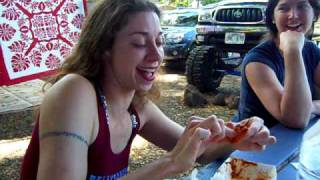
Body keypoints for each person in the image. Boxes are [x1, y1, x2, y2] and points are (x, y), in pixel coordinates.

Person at [20, 0, 276, 179]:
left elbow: (200, 153)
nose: (156, 55)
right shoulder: (74, 93)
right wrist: (169, 163)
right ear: (103, 48)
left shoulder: (136, 106)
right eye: (140, 43)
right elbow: (177, 160)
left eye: (159, 41)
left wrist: (237, 136)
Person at [237, 0, 320, 128]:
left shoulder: (312, 51)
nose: (293, 15)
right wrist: (292, 50)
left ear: (314, 14)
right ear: (272, 17)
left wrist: (312, 107)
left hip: (299, 142)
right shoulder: (257, 61)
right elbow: (297, 118)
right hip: (259, 143)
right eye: (284, 8)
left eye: (302, 6)